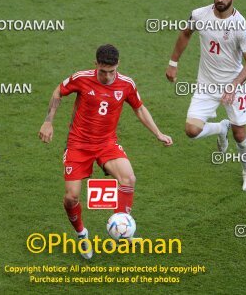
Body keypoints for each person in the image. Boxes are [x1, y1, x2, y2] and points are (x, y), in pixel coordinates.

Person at [39, 44, 173, 259]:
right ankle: (82, 235)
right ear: (96, 65)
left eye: (112, 71)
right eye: (103, 71)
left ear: (118, 65)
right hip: (78, 144)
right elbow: (58, 91)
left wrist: (158, 133)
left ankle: (122, 229)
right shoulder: (81, 78)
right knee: (71, 198)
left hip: (106, 143)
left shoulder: (126, 84)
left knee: (128, 178)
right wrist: (48, 122)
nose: (108, 76)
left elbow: (139, 108)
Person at [165, 0, 246, 192]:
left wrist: (234, 85)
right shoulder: (199, 14)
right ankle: (220, 128)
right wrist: (173, 62)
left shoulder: (240, 26)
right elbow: (185, 33)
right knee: (191, 130)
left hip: (233, 87)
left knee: (240, 134)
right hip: (206, 85)